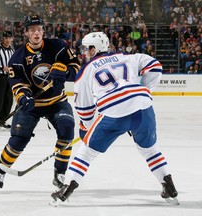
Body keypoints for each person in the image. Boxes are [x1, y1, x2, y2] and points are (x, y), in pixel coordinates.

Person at [51, 32, 179, 205]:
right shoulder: (127, 56)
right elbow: (154, 65)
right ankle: (168, 185)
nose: (83, 53)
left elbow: (84, 107)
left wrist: (86, 129)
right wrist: (144, 90)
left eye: (86, 48)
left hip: (113, 110)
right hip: (142, 106)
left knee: (86, 152)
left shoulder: (86, 70)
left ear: (94, 48)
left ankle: (66, 189)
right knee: (150, 149)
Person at [0, 15, 80, 193]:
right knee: (18, 139)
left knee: (67, 129)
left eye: (39, 29)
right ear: (26, 33)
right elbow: (16, 82)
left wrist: (65, 72)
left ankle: (59, 173)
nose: (36, 33)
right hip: (32, 105)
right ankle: (0, 171)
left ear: (43, 31)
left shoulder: (58, 47)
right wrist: (24, 96)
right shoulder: (17, 57)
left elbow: (75, 67)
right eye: (32, 30)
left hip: (56, 101)